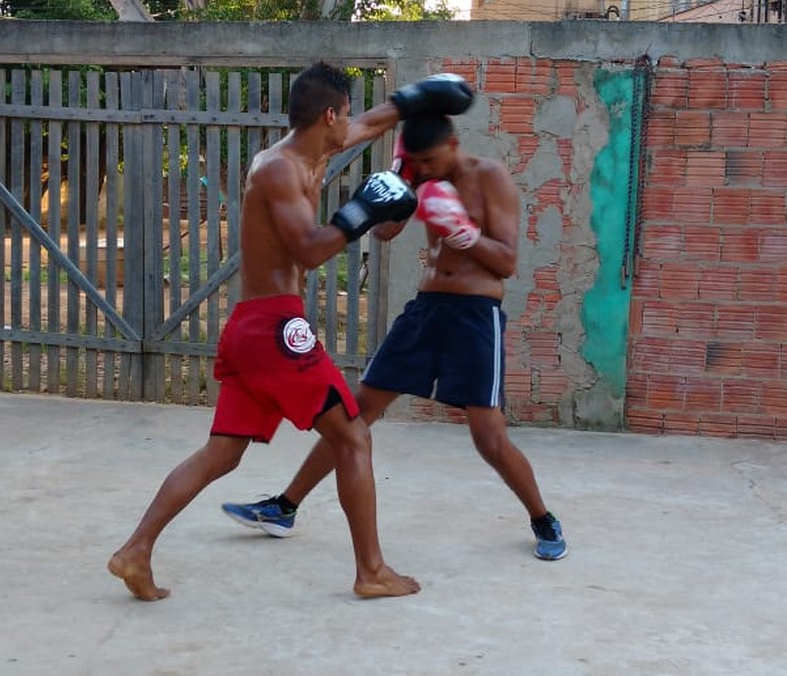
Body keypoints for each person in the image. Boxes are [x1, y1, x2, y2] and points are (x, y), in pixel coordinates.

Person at [108, 64, 475, 601]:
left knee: (222, 452)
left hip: (253, 327)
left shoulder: (315, 147)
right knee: (353, 436)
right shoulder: (278, 170)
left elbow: (372, 123)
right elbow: (309, 249)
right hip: (275, 328)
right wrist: (363, 212)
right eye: (344, 114)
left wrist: (418, 97)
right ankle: (371, 570)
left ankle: (134, 551)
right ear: (329, 115)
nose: (350, 125)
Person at [222, 112, 568, 561]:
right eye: (416, 162)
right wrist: (400, 180)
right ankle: (285, 507)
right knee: (355, 413)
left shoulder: (491, 178)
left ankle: (543, 518)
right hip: (426, 311)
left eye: (427, 160)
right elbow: (385, 232)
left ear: (453, 143)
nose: (423, 168)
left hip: (475, 316)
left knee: (489, 436)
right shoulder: (421, 175)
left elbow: (505, 262)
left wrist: (462, 232)